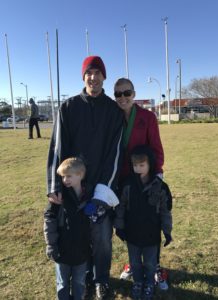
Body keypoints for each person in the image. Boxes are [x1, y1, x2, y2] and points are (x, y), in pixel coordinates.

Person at [47, 56, 124, 300]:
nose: (93, 77)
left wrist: (103, 192)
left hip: (100, 188)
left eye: (98, 72)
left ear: (104, 76)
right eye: (89, 72)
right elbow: (57, 148)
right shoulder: (68, 107)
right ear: (83, 77)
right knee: (76, 233)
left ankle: (100, 280)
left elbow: (116, 153)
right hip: (73, 188)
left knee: (101, 235)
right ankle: (82, 276)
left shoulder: (113, 111)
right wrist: (55, 185)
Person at [114, 78, 170, 289]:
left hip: (145, 179)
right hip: (122, 180)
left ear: (134, 94)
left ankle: (154, 266)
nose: (122, 97)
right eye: (118, 94)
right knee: (129, 222)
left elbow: (156, 148)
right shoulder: (112, 116)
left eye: (126, 92)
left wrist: (156, 176)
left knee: (150, 222)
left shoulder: (147, 117)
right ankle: (133, 263)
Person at [114, 145, 173, 300]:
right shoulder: (127, 185)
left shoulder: (160, 187)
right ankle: (138, 282)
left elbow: (165, 211)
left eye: (142, 165)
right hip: (132, 233)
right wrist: (119, 227)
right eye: (135, 165)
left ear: (150, 164)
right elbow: (120, 207)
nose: (138, 168)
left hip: (151, 234)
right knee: (135, 262)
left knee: (150, 263)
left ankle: (149, 283)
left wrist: (167, 231)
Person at [44, 157, 90, 300]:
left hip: (81, 251)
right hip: (61, 250)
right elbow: (49, 221)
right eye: (63, 176)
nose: (65, 180)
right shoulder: (58, 198)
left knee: (79, 282)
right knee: (62, 283)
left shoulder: (89, 196)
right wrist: (51, 245)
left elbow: (94, 223)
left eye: (68, 176)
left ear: (80, 175)